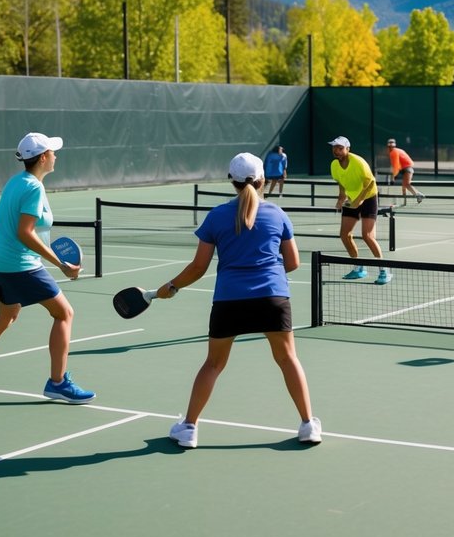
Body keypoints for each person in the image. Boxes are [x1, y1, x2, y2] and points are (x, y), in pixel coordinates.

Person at [161, 152, 320, 449]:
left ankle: (189, 429)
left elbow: (198, 267)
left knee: (213, 364)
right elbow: (294, 262)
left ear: (231, 181)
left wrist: (172, 286)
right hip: (273, 298)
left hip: (229, 301)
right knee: (288, 360)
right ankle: (309, 425)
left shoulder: (216, 216)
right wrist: (267, 272)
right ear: (262, 181)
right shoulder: (277, 214)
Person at [0, 132, 94, 404]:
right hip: (19, 265)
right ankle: (58, 382)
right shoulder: (34, 188)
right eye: (52, 151)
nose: (56, 155)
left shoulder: (17, 182)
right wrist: (60, 264)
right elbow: (25, 232)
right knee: (64, 313)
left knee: (6, 317)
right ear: (43, 157)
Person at [328, 136, 390, 284]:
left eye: (340, 148)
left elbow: (370, 182)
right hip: (352, 199)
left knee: (367, 235)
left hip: (368, 197)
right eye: (334, 148)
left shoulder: (358, 162)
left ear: (347, 149)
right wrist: (341, 198)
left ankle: (384, 270)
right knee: (345, 235)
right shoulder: (334, 165)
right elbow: (341, 183)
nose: (336, 151)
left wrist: (359, 200)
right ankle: (359, 268)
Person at [385, 138, 424, 205]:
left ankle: (419, 195)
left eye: (391, 146)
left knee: (406, 184)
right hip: (405, 169)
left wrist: (393, 177)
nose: (390, 148)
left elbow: (395, 165)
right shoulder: (398, 150)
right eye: (389, 146)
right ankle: (405, 201)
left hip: (407, 169)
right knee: (404, 186)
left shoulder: (393, 152)